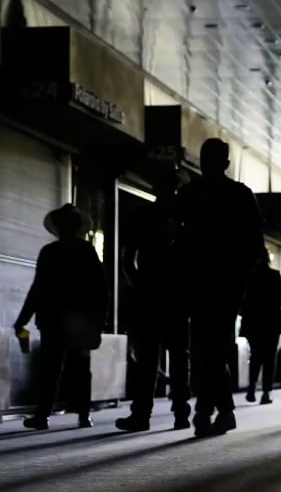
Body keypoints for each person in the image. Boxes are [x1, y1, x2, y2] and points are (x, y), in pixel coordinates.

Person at [173, 138, 266, 437]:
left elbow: (176, 236)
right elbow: (255, 243)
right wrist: (242, 278)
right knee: (213, 346)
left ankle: (211, 408)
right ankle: (215, 408)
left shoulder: (189, 193)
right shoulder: (240, 194)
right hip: (225, 282)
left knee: (204, 347)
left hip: (198, 281)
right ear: (226, 163)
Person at [15, 204, 110, 430]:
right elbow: (101, 289)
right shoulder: (86, 250)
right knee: (81, 368)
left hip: (52, 318)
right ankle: (84, 415)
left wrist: (22, 319)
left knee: (50, 369)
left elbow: (37, 289)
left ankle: (42, 416)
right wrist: (99, 320)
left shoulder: (49, 252)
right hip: (80, 319)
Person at [115, 164, 191, 432]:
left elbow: (127, 257)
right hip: (177, 295)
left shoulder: (145, 214)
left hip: (149, 293)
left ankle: (141, 415)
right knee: (179, 357)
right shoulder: (186, 217)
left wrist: (139, 283)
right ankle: (181, 413)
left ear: (155, 186)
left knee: (147, 359)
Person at [241, 252, 281, 405]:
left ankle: (252, 385)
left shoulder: (249, 277)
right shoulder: (274, 275)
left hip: (254, 323)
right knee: (269, 358)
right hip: (272, 323)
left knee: (256, 355)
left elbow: (243, 302)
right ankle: (266, 392)